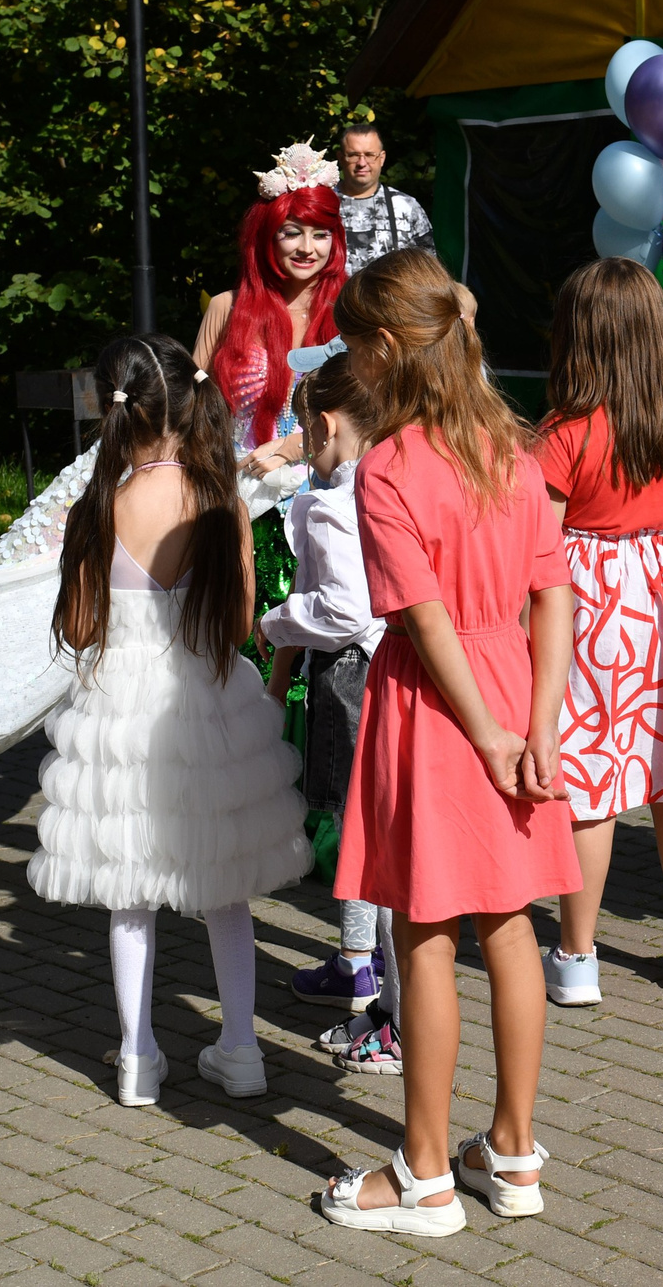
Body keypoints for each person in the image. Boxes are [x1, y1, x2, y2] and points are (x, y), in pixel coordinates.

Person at [316, 249, 577, 1238]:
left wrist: (488, 734)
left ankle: (423, 1177)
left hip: (438, 711)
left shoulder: (388, 467)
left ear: (386, 349)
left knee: (425, 938)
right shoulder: (514, 451)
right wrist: (535, 726)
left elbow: (423, 624)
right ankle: (512, 1156)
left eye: (353, 349)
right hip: (510, 682)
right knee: (510, 928)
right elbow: (554, 596)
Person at [27, 334, 312, 1107]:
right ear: (191, 400)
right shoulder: (218, 497)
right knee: (225, 888)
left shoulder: (101, 503)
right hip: (204, 695)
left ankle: (136, 1055)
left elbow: (83, 624)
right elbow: (241, 620)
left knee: (130, 889)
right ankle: (243, 1047)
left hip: (121, 706)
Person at [533, 258, 663, 1003]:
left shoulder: (562, 435)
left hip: (590, 610)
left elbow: (538, 549)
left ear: (578, 337)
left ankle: (577, 956)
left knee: (589, 783)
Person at [260, 353, 394, 1024]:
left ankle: (362, 964)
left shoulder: (329, 505)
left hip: (349, 671)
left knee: (356, 823)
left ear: (328, 424)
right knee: (371, 820)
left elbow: (343, 609)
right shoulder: (388, 483)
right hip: (387, 665)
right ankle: (361, 957)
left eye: (304, 427)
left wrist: (275, 620)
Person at [194, 140, 349, 470]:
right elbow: (191, 405)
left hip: (330, 486)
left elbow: (378, 409)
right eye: (292, 233)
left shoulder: (352, 312)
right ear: (267, 237)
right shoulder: (227, 308)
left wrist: (292, 448)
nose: (307, 248)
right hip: (238, 482)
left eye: (321, 235)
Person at [335, 122, 434, 272]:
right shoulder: (320, 203)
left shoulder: (406, 207)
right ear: (341, 158)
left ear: (382, 158)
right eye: (354, 155)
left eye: (369, 155)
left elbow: (428, 269)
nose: (362, 163)